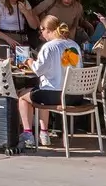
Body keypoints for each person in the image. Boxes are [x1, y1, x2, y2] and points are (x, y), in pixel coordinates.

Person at [18, 16, 81, 149]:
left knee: (23, 97)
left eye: (41, 31)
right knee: (41, 91)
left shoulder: (49, 47)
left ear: (47, 30)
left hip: (56, 94)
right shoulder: (73, 45)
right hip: (75, 95)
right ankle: (44, 133)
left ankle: (29, 134)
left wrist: (29, 61)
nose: (41, 34)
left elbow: (38, 70)